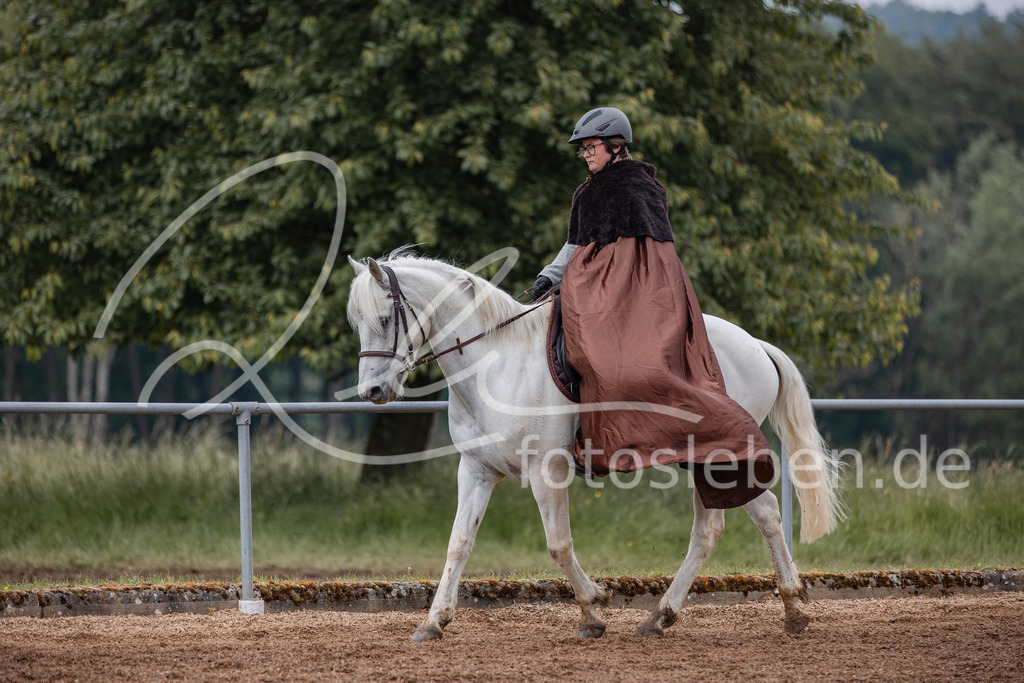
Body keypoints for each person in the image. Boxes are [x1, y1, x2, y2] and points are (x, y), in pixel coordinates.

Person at [533, 107, 773, 509]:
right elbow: (574, 246)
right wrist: (547, 278)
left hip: (634, 291)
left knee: (610, 359)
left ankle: (713, 432)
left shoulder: (638, 188)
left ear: (616, 146)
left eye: (591, 147)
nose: (585, 154)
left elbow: (648, 256)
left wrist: (602, 281)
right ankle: (588, 441)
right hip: (589, 285)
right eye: (583, 149)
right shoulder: (585, 192)